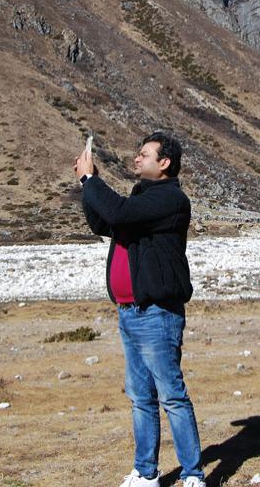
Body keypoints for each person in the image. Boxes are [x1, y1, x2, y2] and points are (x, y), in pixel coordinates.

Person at [74, 132, 206, 487]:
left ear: (164, 163)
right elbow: (104, 222)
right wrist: (91, 186)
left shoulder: (170, 199)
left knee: (171, 396)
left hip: (157, 312)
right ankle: (146, 472)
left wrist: (90, 181)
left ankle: (193, 474)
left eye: (144, 154)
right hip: (130, 312)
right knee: (140, 397)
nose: (136, 158)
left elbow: (117, 211)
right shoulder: (141, 200)